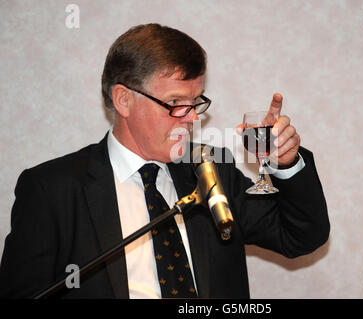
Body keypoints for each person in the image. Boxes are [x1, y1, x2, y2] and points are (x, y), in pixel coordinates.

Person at [0, 23, 329, 299]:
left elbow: (300, 237)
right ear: (124, 100)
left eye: (195, 102)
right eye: (174, 103)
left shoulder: (212, 168)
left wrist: (287, 162)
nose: (190, 118)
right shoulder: (52, 190)